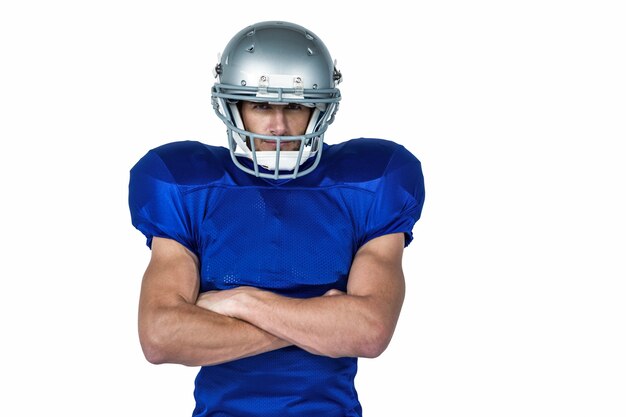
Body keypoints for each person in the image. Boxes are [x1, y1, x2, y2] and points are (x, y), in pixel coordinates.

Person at [129, 20, 425, 417]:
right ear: (233, 106)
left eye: (296, 106)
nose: (279, 126)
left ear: (320, 108)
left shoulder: (371, 180)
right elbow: (161, 336)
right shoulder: (186, 183)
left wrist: (239, 301)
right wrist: (322, 322)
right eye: (261, 105)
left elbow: (369, 332)